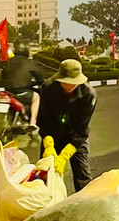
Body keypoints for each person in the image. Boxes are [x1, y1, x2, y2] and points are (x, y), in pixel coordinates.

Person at [37, 58, 96, 192]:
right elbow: (43, 119)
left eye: (73, 83)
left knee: (82, 175)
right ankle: (44, 205)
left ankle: (84, 205)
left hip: (75, 137)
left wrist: (64, 155)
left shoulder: (88, 94)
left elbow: (82, 129)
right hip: (53, 134)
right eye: (65, 82)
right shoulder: (48, 88)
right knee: (45, 172)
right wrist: (48, 144)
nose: (69, 86)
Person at [2, 40, 50, 123]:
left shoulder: (9, 61)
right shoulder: (30, 63)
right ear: (27, 50)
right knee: (36, 97)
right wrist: (40, 81)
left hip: (7, 91)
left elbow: (3, 75)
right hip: (21, 91)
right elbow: (39, 76)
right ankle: (33, 122)